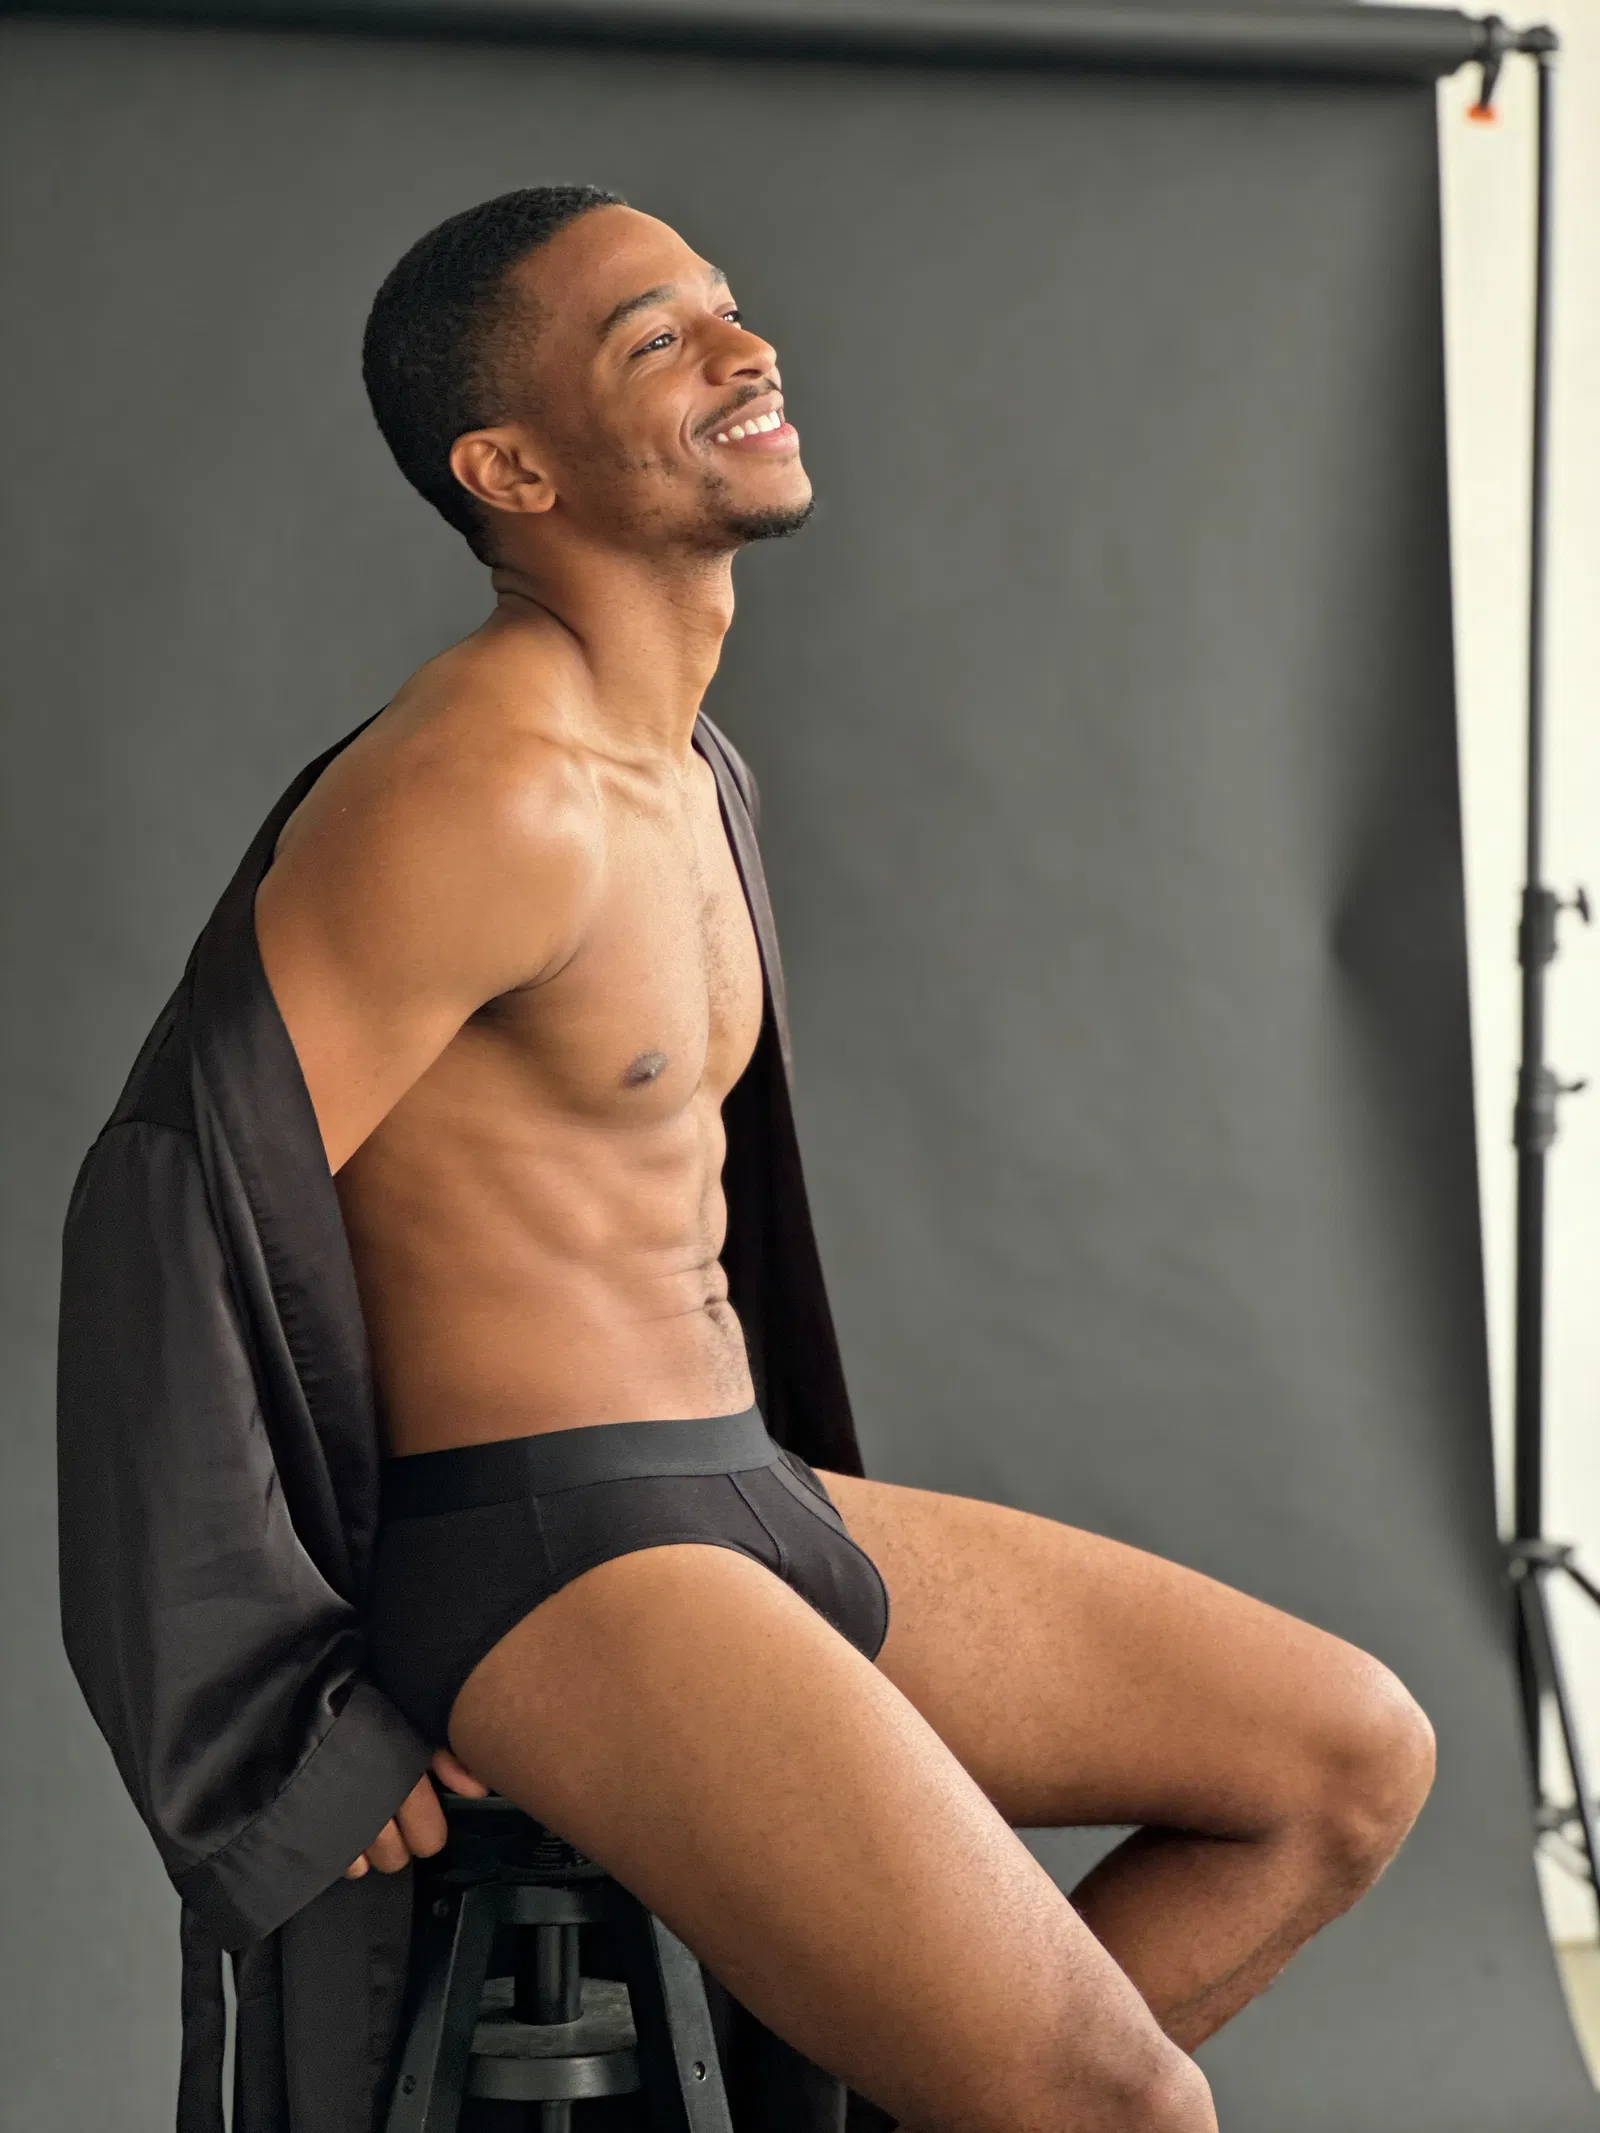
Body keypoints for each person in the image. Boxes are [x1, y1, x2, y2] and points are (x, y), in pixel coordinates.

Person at [72, 183, 1436, 2133]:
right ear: (509, 465)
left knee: (1341, 1756)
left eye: (727, 309)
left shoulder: (687, 769)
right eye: (657, 339)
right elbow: (159, 1203)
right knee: (1113, 2106)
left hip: (735, 1489)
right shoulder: (483, 793)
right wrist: (262, 1707)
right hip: (550, 1555)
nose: (745, 349)